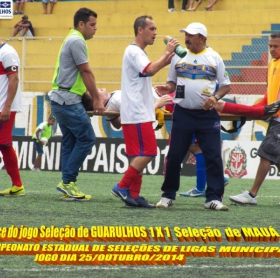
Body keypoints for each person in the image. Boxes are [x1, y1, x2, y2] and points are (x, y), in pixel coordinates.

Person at [155, 22, 231, 210]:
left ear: (202, 38)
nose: (186, 38)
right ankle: (168, 195)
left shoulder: (214, 58)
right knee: (174, 155)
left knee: (213, 156)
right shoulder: (178, 57)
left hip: (207, 116)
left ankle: (213, 198)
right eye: (186, 34)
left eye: (191, 35)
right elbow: (172, 82)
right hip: (183, 113)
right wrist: (167, 88)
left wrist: (215, 97)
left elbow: (226, 85)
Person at [110, 15, 178, 208]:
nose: (155, 33)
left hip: (132, 111)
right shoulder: (135, 52)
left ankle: (133, 195)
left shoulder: (135, 52)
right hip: (139, 112)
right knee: (148, 152)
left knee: (136, 155)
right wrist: (166, 52)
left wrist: (166, 59)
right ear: (140, 30)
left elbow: (148, 71)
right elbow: (150, 70)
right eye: (152, 29)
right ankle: (122, 187)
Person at [48, 7, 105, 202]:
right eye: (92, 24)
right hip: (68, 101)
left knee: (70, 141)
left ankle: (67, 183)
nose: (95, 29)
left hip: (59, 99)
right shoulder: (77, 40)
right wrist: (97, 98)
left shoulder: (70, 38)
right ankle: (68, 182)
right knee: (87, 138)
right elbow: (86, 72)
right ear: (81, 24)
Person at [229, 32, 280, 206]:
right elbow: (269, 93)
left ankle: (252, 195)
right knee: (277, 157)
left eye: (276, 46)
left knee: (266, 153)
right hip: (275, 119)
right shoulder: (272, 64)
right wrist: (258, 109)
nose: (272, 49)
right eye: (271, 46)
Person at [0, 39, 25, 196]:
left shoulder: (7, 52)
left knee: (4, 143)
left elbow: (14, 79)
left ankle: (17, 185)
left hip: (4, 107)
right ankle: (17, 185)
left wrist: (7, 106)